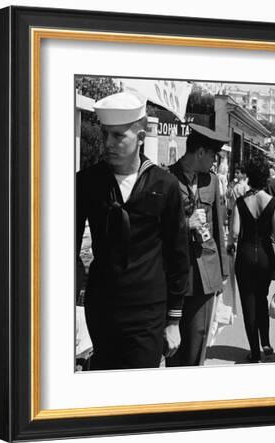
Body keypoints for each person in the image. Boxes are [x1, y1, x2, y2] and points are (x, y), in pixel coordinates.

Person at [76, 91, 190, 370]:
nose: (108, 144)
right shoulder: (87, 182)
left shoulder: (165, 185)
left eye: (118, 136)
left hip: (148, 312)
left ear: (140, 138)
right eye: (106, 135)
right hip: (102, 308)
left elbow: (178, 256)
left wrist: (173, 321)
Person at [167, 124, 229, 367]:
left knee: (198, 338)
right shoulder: (167, 178)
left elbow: (218, 228)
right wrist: (185, 223)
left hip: (205, 272)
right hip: (176, 273)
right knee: (172, 344)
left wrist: (222, 273)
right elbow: (158, 227)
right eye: (213, 156)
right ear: (200, 153)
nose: (214, 162)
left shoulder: (212, 181)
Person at [227, 154, 275, 363]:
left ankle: (254, 351)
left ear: (249, 177)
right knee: (261, 298)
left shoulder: (241, 202)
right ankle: (266, 343)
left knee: (248, 302)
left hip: (244, 255)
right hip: (265, 256)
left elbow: (234, 234)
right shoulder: (273, 203)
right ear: (265, 178)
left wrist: (228, 247)